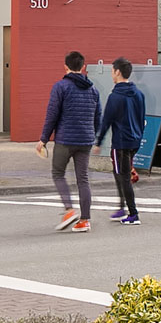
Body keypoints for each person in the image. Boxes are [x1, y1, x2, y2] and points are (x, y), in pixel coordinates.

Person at [36, 51, 101, 233]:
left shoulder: (61, 87)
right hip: (86, 141)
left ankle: (69, 209)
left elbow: (52, 115)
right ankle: (85, 220)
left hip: (65, 139)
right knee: (83, 179)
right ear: (83, 67)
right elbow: (98, 116)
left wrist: (43, 139)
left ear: (65, 67)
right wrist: (93, 135)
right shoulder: (93, 90)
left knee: (58, 173)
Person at [97, 57, 147, 226]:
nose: (111, 74)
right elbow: (142, 119)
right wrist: (138, 137)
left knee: (123, 176)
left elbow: (106, 121)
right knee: (119, 173)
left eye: (112, 70)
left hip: (120, 143)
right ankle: (122, 206)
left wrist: (98, 141)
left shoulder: (115, 97)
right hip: (134, 141)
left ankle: (133, 213)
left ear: (117, 72)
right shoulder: (139, 94)